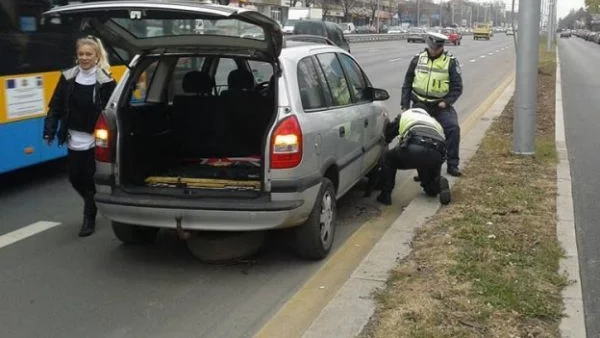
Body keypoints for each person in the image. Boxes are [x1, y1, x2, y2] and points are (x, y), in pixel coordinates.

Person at [43, 36, 116, 237]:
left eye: (88, 54)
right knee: (75, 178)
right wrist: (49, 130)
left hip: (95, 138)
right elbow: (55, 106)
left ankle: (89, 216)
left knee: (90, 175)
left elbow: (112, 111)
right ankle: (92, 201)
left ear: (96, 56)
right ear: (77, 56)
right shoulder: (67, 77)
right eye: (81, 54)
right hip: (74, 137)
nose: (84, 58)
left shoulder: (106, 80)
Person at [401, 32, 464, 177]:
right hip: (419, 104)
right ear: (428, 45)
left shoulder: (450, 61)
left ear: (442, 47)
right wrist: (405, 105)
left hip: (439, 106)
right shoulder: (417, 59)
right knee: (415, 135)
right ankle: (422, 170)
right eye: (432, 47)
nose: (434, 50)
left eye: (437, 48)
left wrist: (446, 102)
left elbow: (457, 87)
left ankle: (452, 164)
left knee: (453, 129)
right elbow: (407, 83)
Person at [376, 104, 451, 206]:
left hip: (413, 147)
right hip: (436, 152)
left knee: (388, 159)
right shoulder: (433, 121)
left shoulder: (407, 114)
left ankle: (385, 194)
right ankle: (438, 182)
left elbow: (389, 133)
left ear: (412, 108)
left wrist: (386, 140)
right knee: (430, 188)